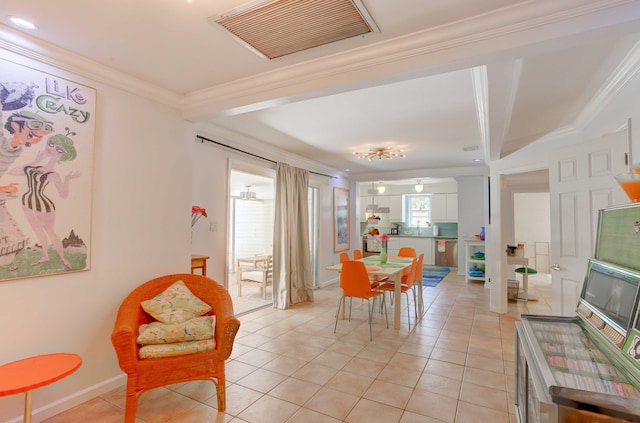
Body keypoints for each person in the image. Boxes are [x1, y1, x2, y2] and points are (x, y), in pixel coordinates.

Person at [18, 132, 80, 269]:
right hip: (27, 202)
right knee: (37, 230)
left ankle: (63, 258)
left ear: (62, 156)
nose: (52, 148)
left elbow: (63, 195)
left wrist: (67, 180)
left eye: (59, 149)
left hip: (43, 205)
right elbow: (15, 171)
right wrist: (35, 161)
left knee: (50, 232)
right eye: (52, 144)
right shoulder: (35, 166)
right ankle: (45, 255)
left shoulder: (54, 174)